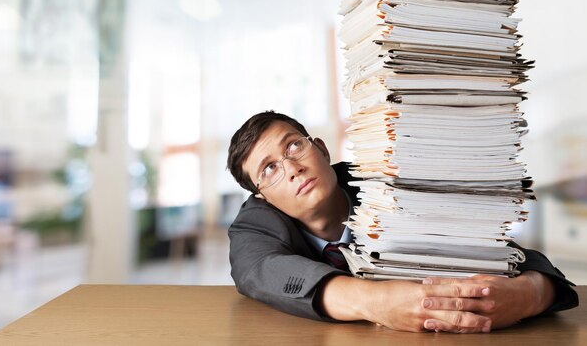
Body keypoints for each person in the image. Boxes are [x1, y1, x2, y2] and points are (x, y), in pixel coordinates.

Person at [226, 110, 579, 333]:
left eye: (293, 147)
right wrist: (373, 301)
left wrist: (530, 293)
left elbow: (510, 256)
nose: (291, 169)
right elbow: (257, 269)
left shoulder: (387, 183)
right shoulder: (254, 223)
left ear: (321, 149)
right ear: (262, 197)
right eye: (269, 169)